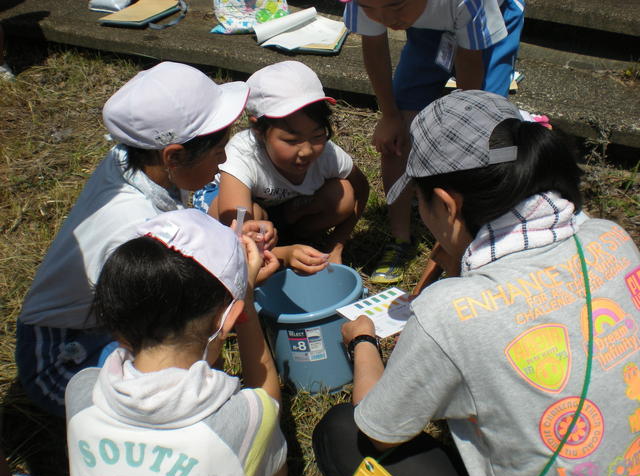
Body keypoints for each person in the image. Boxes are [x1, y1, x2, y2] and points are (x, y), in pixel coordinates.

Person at [313, 90, 640, 476]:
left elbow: (379, 431)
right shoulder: (611, 238)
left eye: (419, 201)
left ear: (447, 205)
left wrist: (363, 341)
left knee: (342, 430)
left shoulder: (448, 312)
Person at [14, 62, 277, 417]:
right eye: (217, 152)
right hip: (65, 355)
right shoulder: (136, 228)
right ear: (174, 155)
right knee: (177, 379)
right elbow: (178, 328)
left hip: (110, 319)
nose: (225, 159)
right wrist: (239, 281)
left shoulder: (135, 158)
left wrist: (226, 241)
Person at [65, 209, 287, 476]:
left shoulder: (82, 392)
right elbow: (267, 405)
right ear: (229, 319)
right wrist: (247, 300)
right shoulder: (245, 423)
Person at [343, 0, 525, 283]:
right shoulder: (371, 3)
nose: (385, 19)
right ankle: (400, 239)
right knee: (399, 129)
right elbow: (374, 47)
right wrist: (390, 115)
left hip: (490, 21)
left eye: (396, 6)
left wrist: (467, 129)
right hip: (428, 26)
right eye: (371, 9)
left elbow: (470, 68)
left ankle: (481, 237)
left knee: (488, 132)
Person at [207, 60, 369, 274]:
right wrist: (285, 255)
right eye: (292, 140)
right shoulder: (242, 155)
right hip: (236, 219)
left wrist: (336, 244)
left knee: (343, 195)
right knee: (248, 217)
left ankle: (290, 233)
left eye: (318, 135)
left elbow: (361, 189)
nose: (307, 151)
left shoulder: (327, 154)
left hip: (282, 209)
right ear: (258, 129)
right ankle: (278, 244)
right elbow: (237, 234)